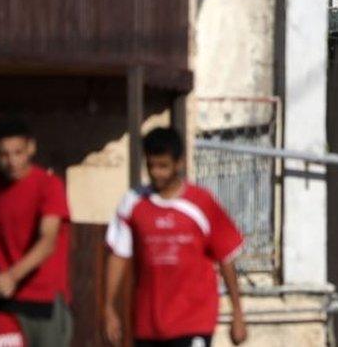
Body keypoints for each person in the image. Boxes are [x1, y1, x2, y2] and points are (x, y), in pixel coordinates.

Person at [104, 127, 247, 347]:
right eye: (151, 165)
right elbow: (118, 255)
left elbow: (226, 257)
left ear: (179, 163)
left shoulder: (201, 203)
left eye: (163, 166)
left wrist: (237, 313)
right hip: (148, 324)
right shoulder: (132, 203)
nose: (156, 173)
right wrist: (109, 307)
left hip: (194, 321)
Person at [0, 119, 72, 347]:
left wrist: (13, 276)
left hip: (45, 301)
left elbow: (48, 240)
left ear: (31, 148)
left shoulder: (49, 186)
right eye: (4, 155)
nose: (12, 161)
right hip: (5, 303)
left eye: (18, 152)